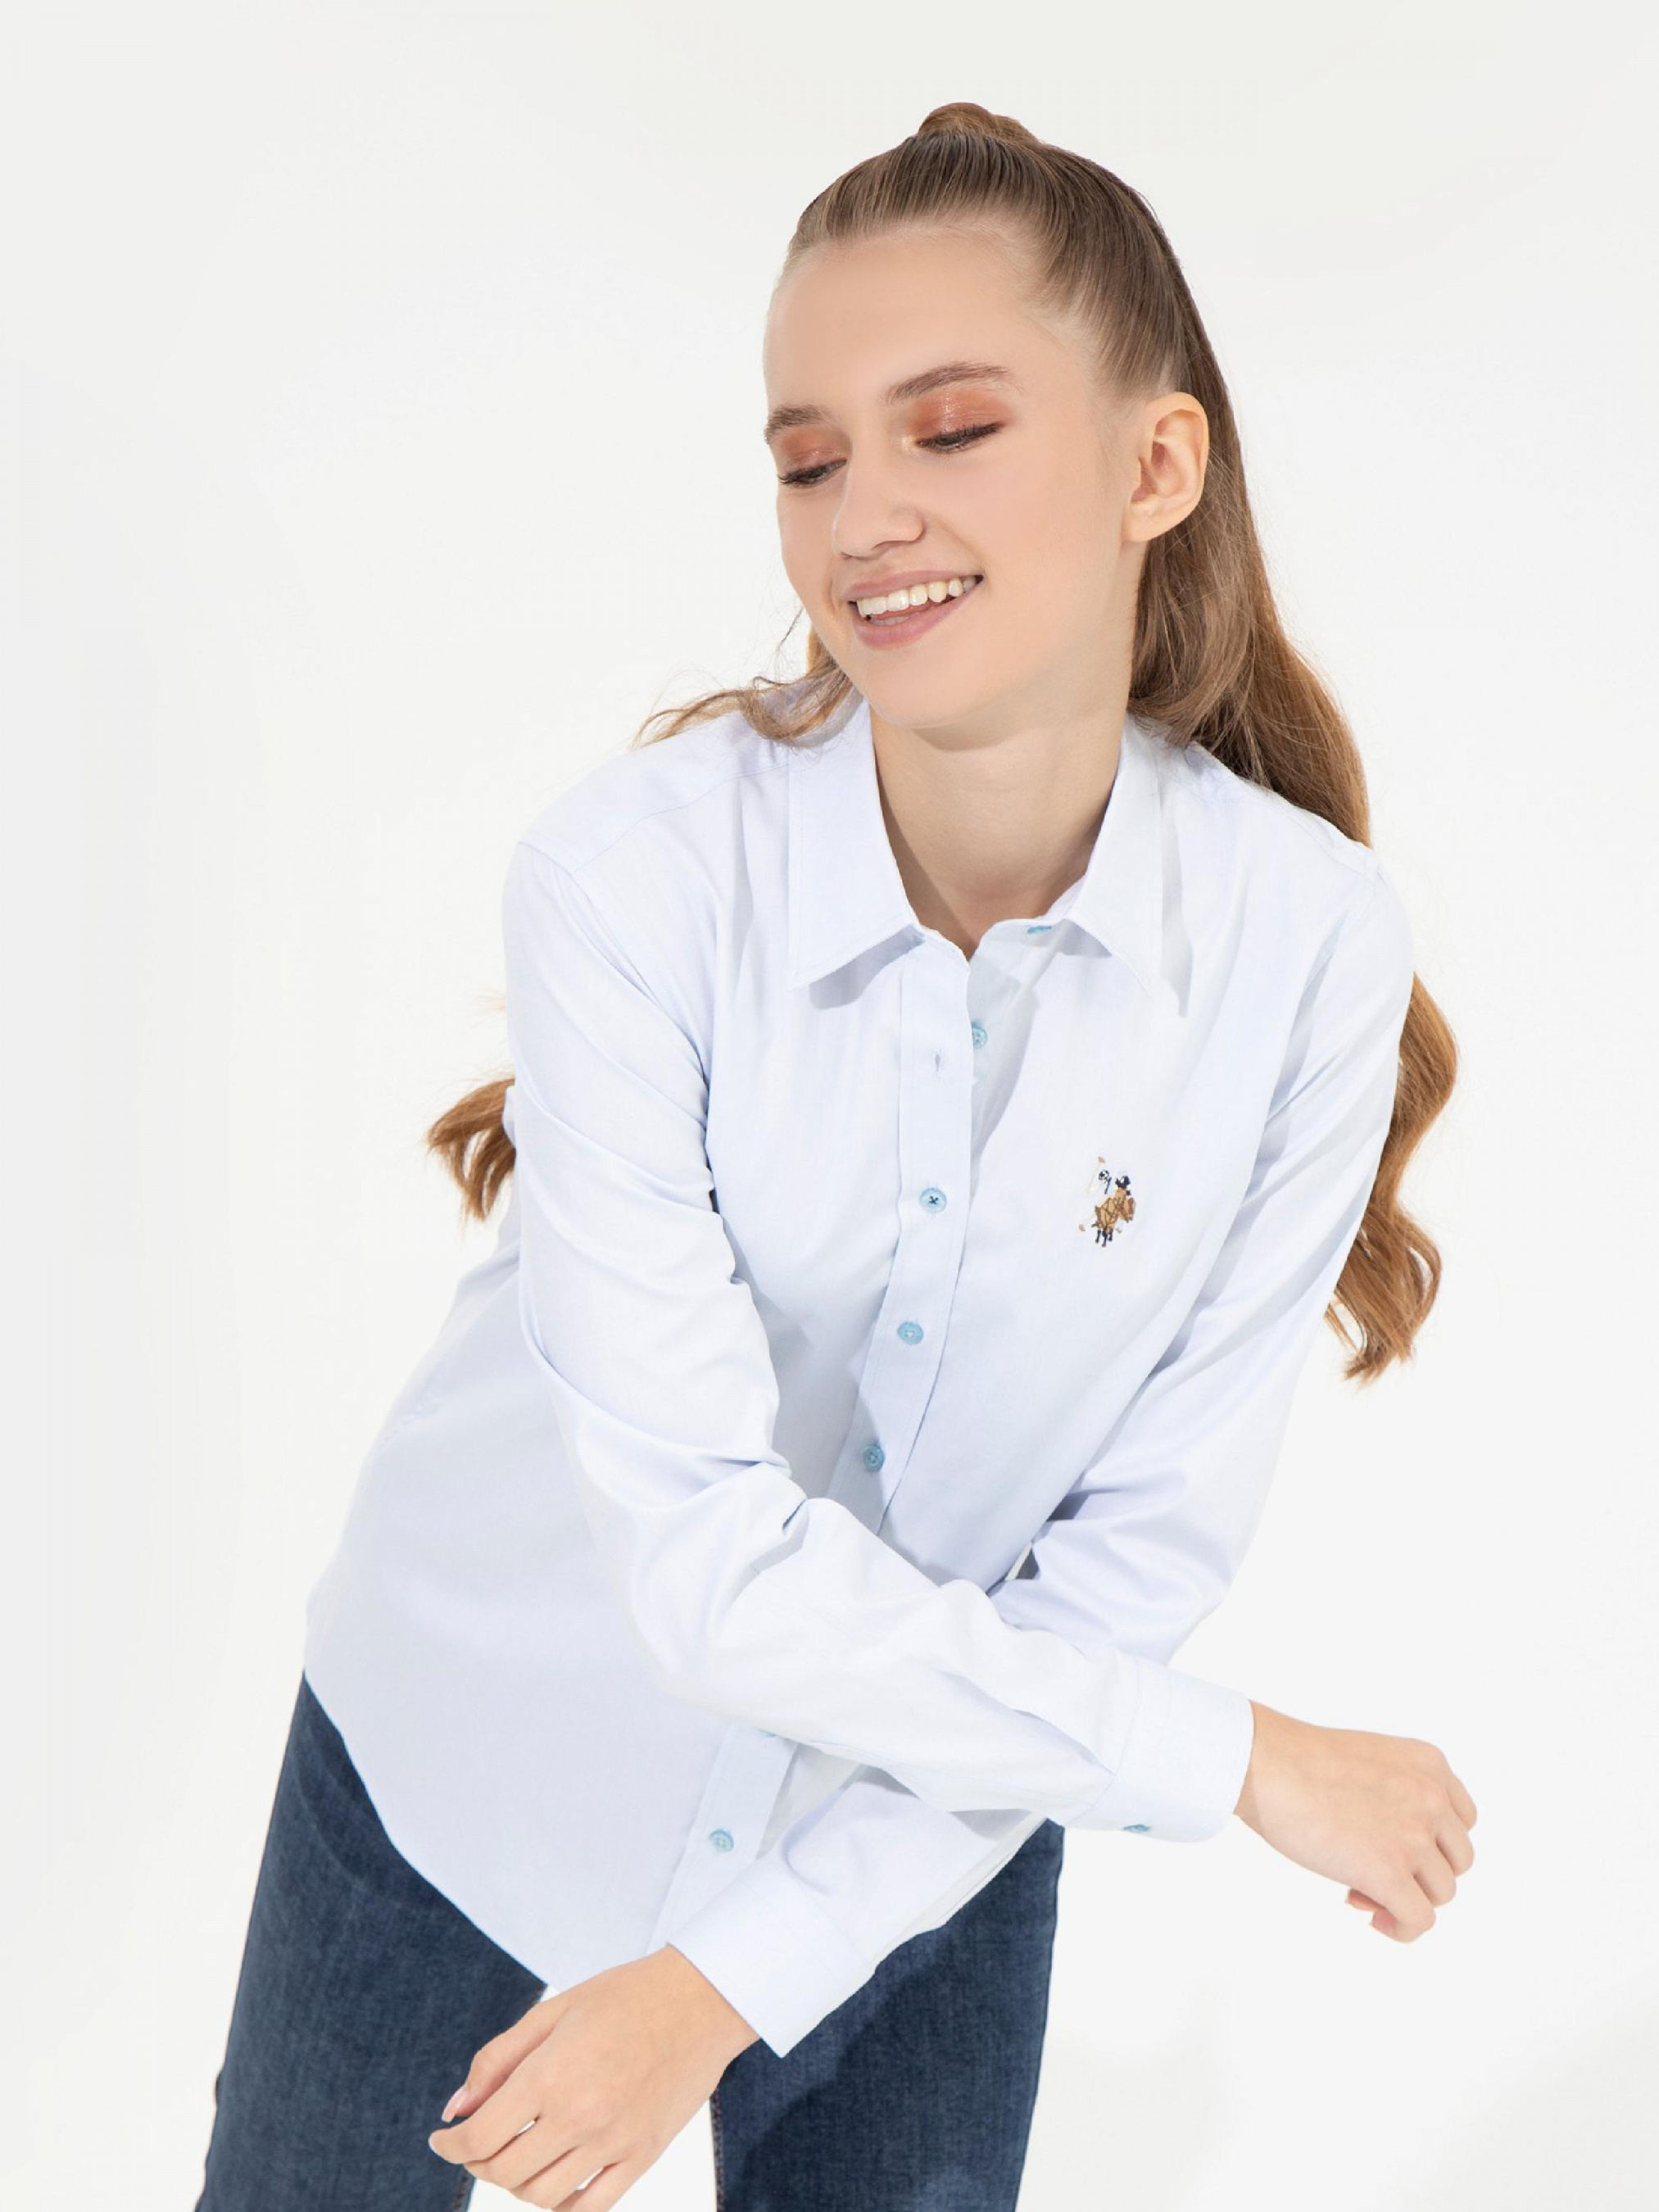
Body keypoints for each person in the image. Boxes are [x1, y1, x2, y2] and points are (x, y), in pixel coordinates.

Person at [195, 99, 1475, 2212]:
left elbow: (1129, 1562)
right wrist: (1242, 1763)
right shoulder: (633, 880)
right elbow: (706, 1563)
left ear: (1157, 465)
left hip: (937, 1816)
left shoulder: (1307, 945)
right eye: (808, 460)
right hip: (475, 1758)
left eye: (951, 428)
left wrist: (720, 1981)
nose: (864, 513)